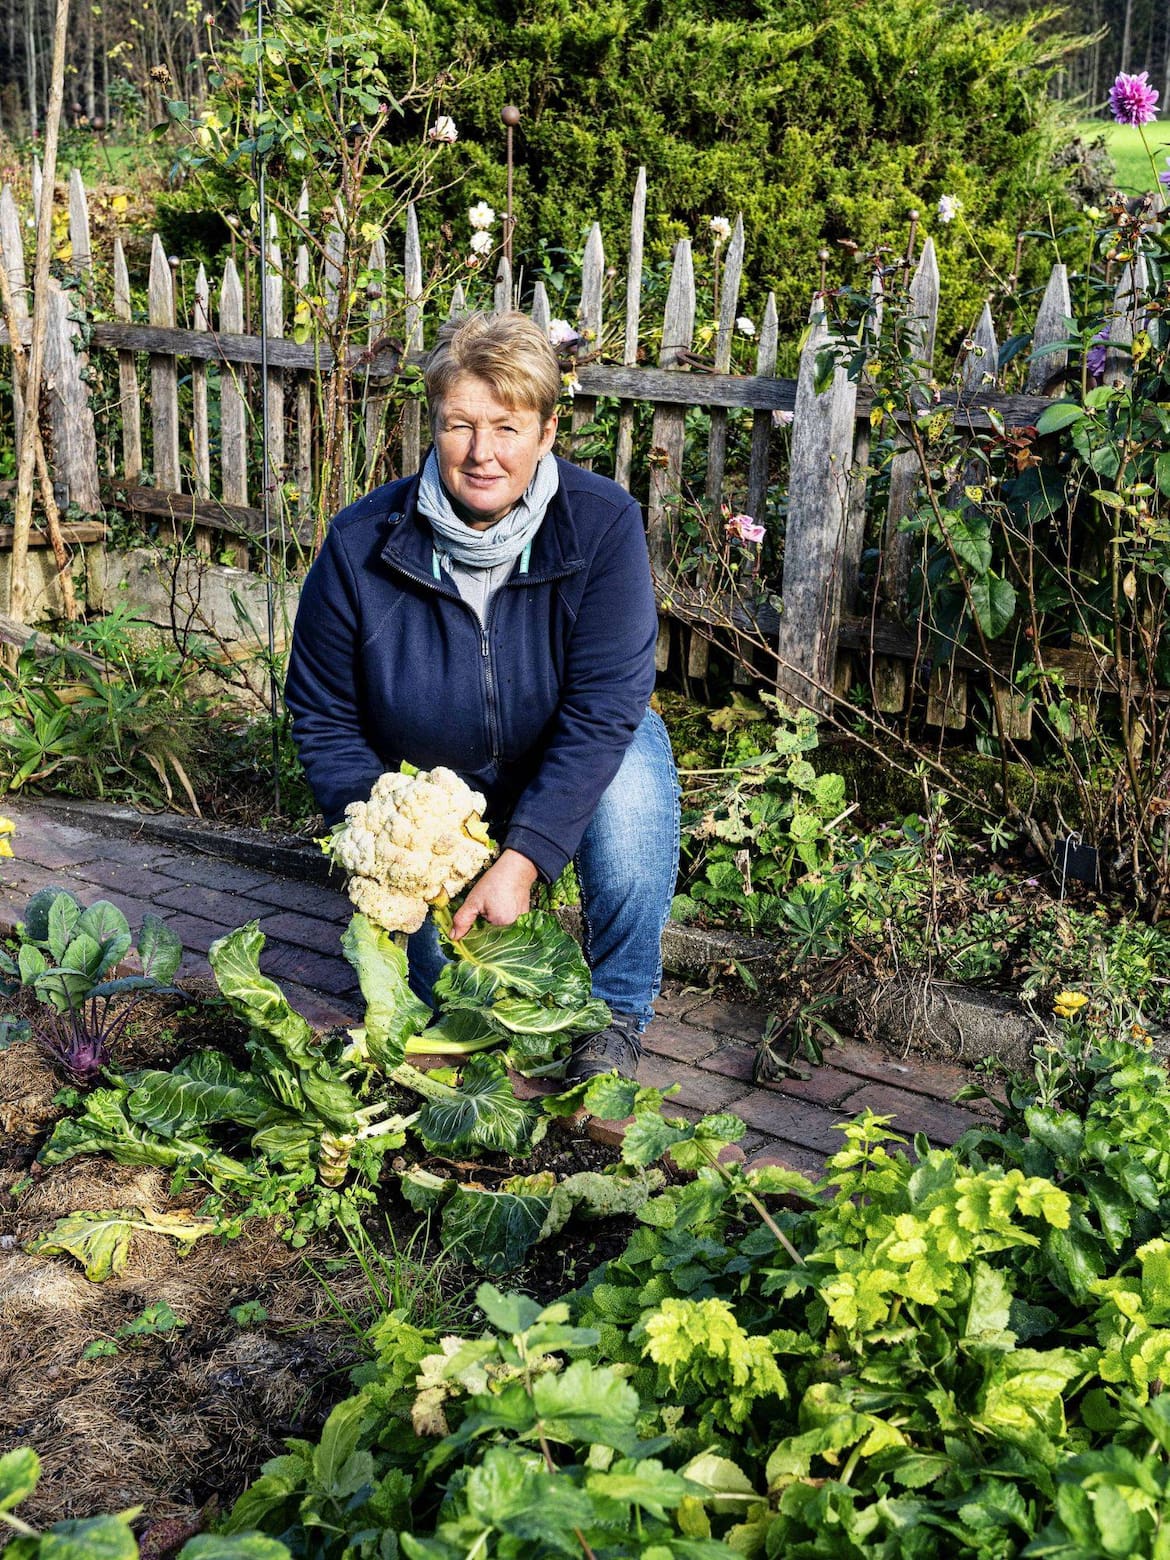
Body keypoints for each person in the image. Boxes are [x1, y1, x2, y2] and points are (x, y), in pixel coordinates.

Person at [285, 310, 679, 1081]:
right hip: (434, 793)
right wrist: (396, 838)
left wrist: (525, 856)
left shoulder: (602, 524)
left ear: (547, 430)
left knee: (632, 791)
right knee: (450, 1010)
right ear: (433, 426)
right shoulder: (362, 541)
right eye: (460, 425)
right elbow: (323, 712)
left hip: (570, 752)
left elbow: (606, 705)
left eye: (507, 426)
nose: (483, 453)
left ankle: (618, 1014)